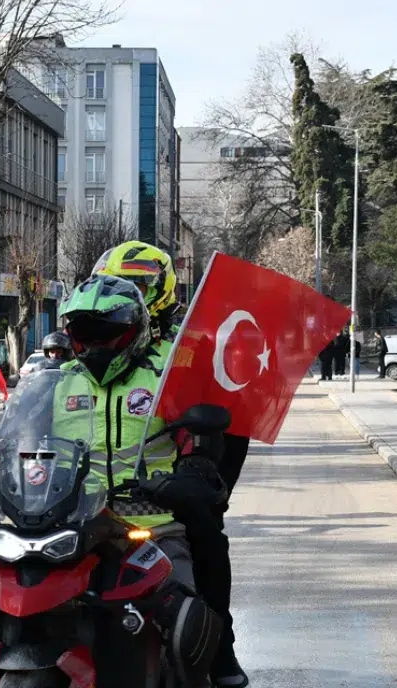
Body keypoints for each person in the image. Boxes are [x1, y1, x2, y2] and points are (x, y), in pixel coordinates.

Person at [56, 275, 222, 685]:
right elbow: (27, 443)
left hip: (153, 527)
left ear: (134, 330)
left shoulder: (167, 376)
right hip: (77, 527)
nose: (95, 342)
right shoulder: (59, 382)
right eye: (83, 332)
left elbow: (200, 440)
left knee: (183, 621)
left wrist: (193, 470)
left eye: (106, 332)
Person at [95, 240, 247, 687]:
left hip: (165, 492)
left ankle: (219, 646)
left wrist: (201, 474)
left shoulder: (188, 351)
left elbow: (222, 421)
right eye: (119, 284)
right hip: (88, 496)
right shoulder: (81, 350)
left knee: (206, 539)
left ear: (159, 290)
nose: (128, 293)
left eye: (138, 284)